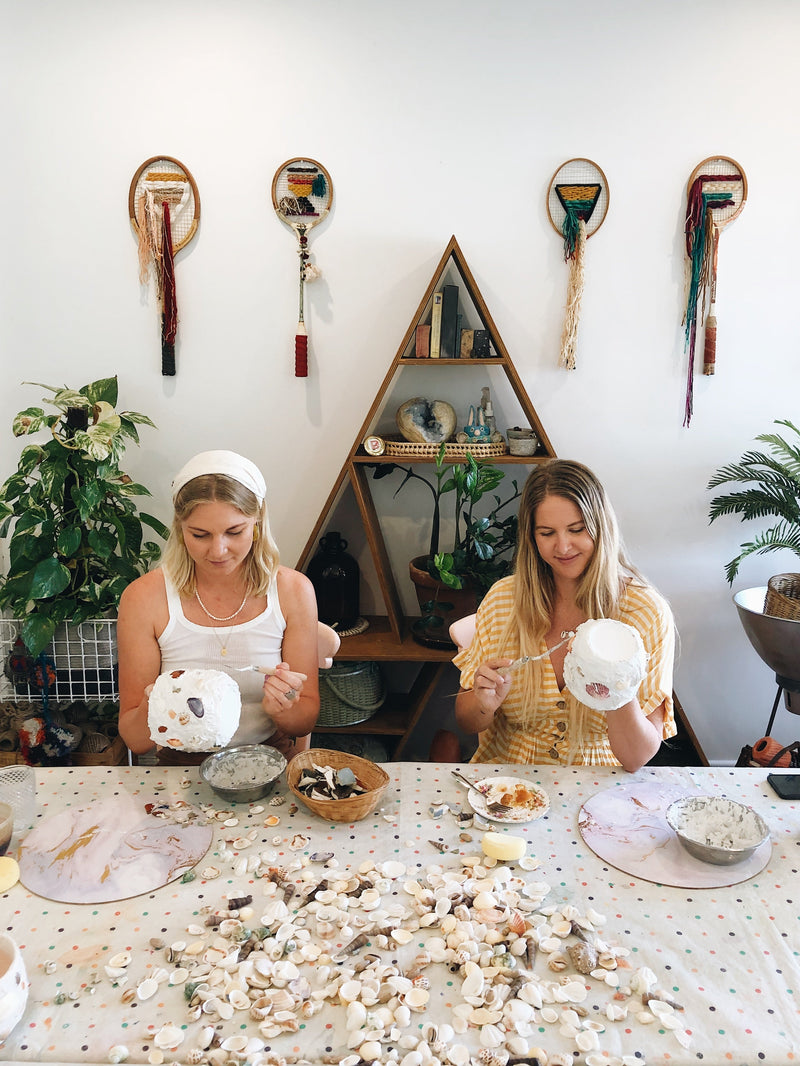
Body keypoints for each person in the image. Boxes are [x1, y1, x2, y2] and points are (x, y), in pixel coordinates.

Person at [453, 459, 676, 771]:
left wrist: (617, 687)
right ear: (531, 537)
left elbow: (636, 759)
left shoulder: (645, 613)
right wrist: (482, 704)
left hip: (598, 784)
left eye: (577, 529)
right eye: (547, 533)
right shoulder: (504, 599)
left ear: (601, 526)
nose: (563, 546)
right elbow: (466, 721)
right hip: (508, 783)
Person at [118, 450, 320, 762]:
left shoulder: (293, 591)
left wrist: (284, 708)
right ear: (180, 528)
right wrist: (155, 703)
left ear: (257, 522)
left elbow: (305, 721)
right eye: (200, 535)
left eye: (234, 532)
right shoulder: (144, 598)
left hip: (268, 763)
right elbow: (135, 740)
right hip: (180, 771)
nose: (218, 550)